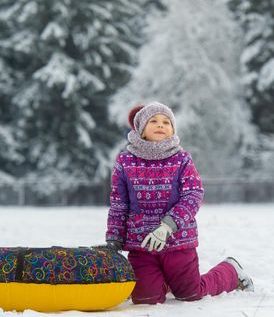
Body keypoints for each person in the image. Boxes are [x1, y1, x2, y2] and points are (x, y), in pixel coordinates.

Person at [105, 102, 254, 304]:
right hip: (141, 245)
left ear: (173, 129)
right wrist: (114, 239)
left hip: (178, 242)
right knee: (146, 298)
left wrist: (168, 225)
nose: (161, 125)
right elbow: (118, 204)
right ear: (140, 129)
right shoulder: (125, 161)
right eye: (154, 121)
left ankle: (231, 271)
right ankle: (161, 281)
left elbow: (193, 194)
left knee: (190, 294)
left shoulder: (181, 159)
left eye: (167, 122)